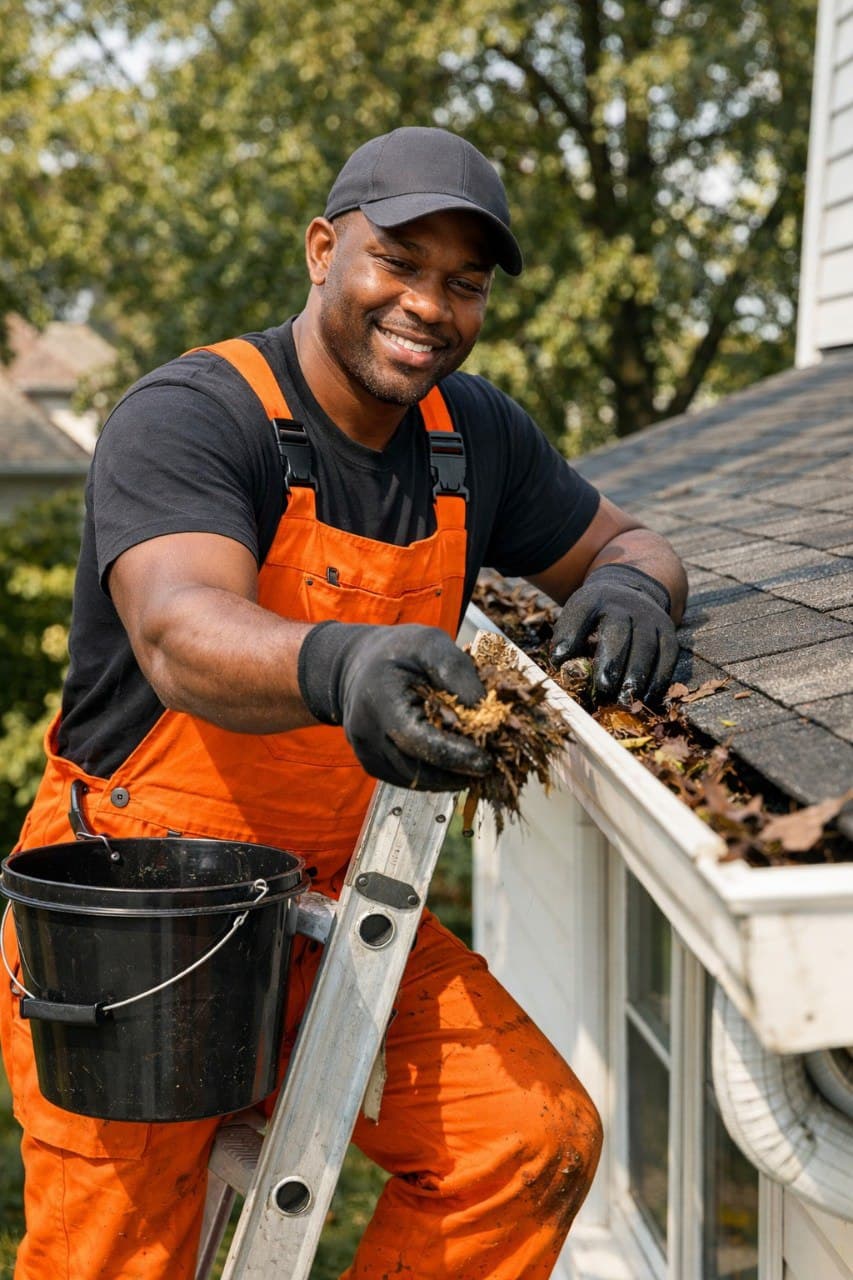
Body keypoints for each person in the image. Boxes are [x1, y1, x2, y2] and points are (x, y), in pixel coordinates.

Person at [0, 126, 686, 1279]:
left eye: (462, 283)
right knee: (116, 1254)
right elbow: (180, 631)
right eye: (399, 262)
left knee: (528, 1144)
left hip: (328, 901)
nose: (429, 303)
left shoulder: (476, 435)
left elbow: (629, 538)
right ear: (325, 249)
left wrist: (629, 587)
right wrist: (342, 664)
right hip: (139, 914)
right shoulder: (190, 413)